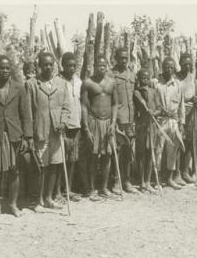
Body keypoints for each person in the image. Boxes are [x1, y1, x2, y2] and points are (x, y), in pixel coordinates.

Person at [0, 55, 33, 217]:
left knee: (14, 170)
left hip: (14, 136)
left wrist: (27, 137)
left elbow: (26, 114)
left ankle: (13, 204)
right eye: (1, 68)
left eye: (8, 68)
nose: (5, 71)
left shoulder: (19, 88)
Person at [27, 52, 70, 210]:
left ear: (54, 65)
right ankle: (38, 200)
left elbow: (66, 107)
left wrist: (63, 122)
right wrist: (29, 133)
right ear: (39, 65)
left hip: (56, 132)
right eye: (45, 64)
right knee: (41, 166)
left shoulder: (61, 83)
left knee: (54, 164)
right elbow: (28, 111)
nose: (48, 67)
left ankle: (48, 198)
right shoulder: (32, 84)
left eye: (51, 64)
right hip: (40, 130)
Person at [81, 55, 118, 199]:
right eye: (99, 65)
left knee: (107, 156)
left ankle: (103, 187)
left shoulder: (112, 83)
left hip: (108, 122)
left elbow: (115, 104)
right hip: (93, 121)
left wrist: (114, 122)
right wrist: (86, 127)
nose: (102, 67)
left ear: (107, 66)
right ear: (94, 66)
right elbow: (84, 105)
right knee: (93, 156)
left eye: (104, 65)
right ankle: (91, 189)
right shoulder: (88, 83)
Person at [154, 57, 185, 190]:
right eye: (166, 67)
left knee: (172, 150)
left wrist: (182, 122)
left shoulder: (178, 85)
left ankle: (169, 178)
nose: (169, 69)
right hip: (160, 121)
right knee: (158, 150)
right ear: (162, 67)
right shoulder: (156, 83)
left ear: (174, 69)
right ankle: (157, 179)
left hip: (173, 122)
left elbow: (182, 105)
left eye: (171, 67)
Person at [55, 52, 82, 202]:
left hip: (76, 125)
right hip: (63, 125)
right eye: (68, 66)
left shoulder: (78, 82)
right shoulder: (57, 81)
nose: (71, 68)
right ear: (62, 66)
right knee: (60, 159)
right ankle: (57, 191)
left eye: (74, 66)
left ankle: (68, 189)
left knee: (72, 159)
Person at [111, 47, 138, 194]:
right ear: (115, 58)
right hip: (117, 119)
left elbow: (135, 97)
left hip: (129, 119)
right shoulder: (111, 75)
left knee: (128, 152)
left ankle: (126, 181)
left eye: (125, 58)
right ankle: (115, 181)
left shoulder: (132, 75)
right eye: (120, 58)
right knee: (116, 151)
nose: (123, 60)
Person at [133, 68, 160, 193]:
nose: (145, 80)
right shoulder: (137, 93)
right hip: (142, 126)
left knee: (151, 153)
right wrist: (144, 93)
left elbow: (159, 108)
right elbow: (138, 109)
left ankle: (148, 181)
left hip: (152, 126)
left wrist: (154, 112)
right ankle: (142, 182)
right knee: (141, 154)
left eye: (147, 78)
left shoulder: (154, 92)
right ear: (138, 79)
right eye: (142, 78)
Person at [176, 53, 197, 184]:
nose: (188, 66)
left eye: (190, 64)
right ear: (180, 63)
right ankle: (176, 173)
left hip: (191, 112)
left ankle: (185, 171)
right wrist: (189, 99)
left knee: (189, 143)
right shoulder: (176, 77)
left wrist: (195, 100)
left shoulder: (193, 77)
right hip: (178, 112)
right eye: (185, 64)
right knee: (178, 143)